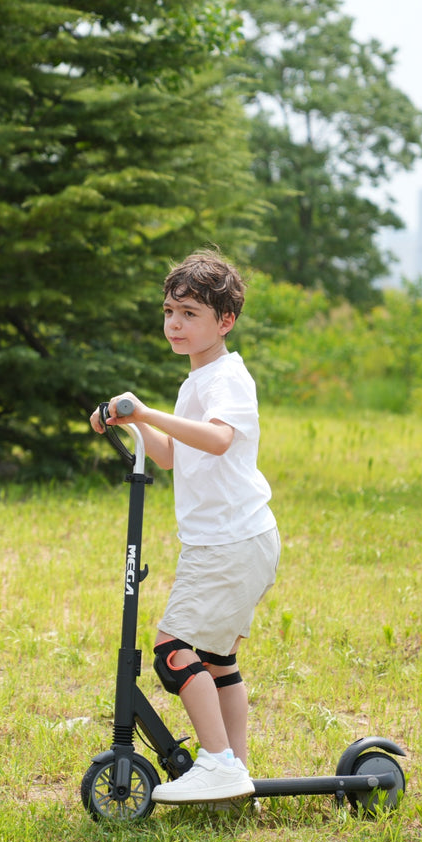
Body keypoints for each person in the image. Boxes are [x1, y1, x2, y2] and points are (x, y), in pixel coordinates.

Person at [91, 250, 280, 805]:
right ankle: (234, 770)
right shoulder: (197, 380)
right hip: (232, 540)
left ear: (226, 321)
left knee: (173, 648)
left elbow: (219, 439)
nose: (175, 324)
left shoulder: (226, 378)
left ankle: (218, 762)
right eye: (170, 312)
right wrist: (132, 423)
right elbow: (173, 454)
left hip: (230, 541)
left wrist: (146, 413)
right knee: (217, 659)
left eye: (190, 314)